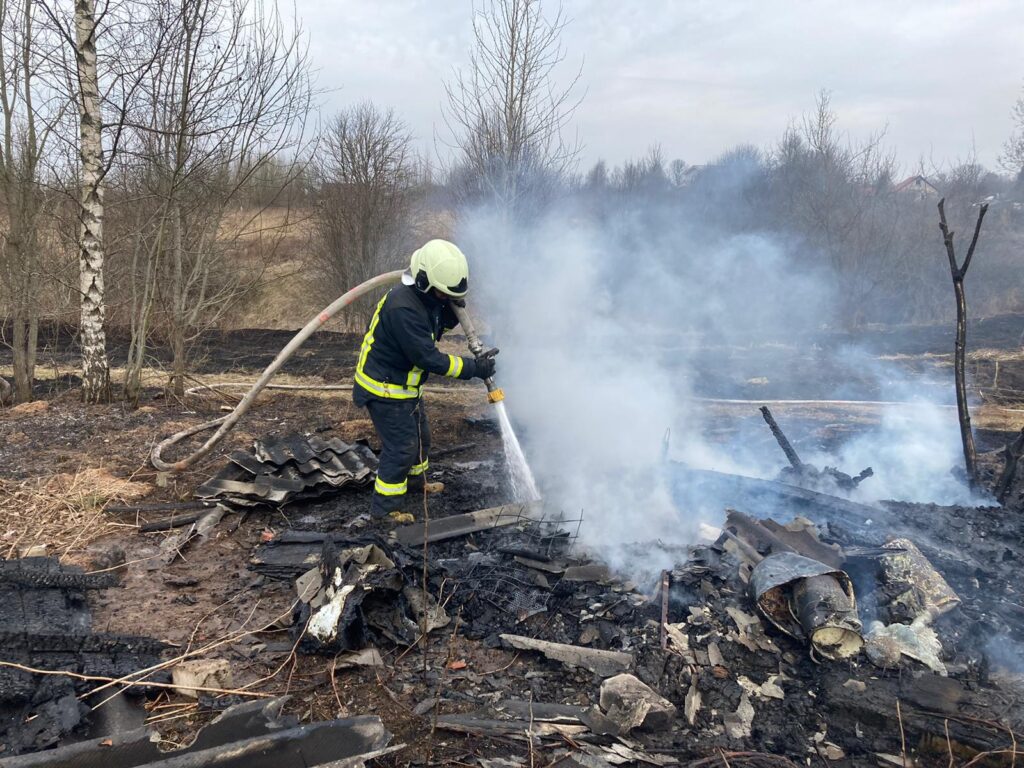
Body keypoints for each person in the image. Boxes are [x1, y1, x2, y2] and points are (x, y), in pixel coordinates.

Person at [353, 239, 496, 522]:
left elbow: (434, 323)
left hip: (405, 389)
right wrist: (473, 368)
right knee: (402, 447)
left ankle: (416, 485)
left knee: (421, 440)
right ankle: (385, 510)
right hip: (385, 390)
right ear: (422, 281)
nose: (444, 299)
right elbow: (429, 358)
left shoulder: (424, 299)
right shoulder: (402, 308)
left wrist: (449, 312)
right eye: (442, 294)